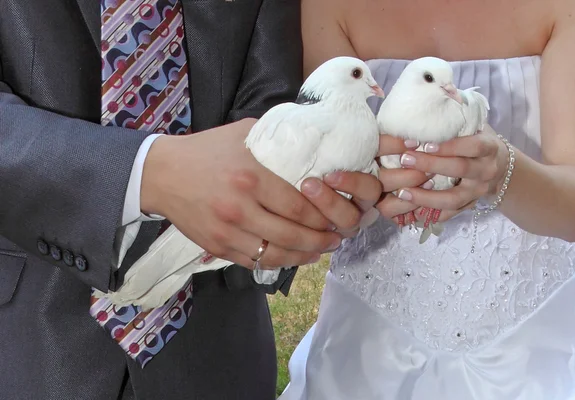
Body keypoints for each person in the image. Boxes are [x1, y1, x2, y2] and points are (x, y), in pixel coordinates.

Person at [0, 0, 384, 398]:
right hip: (27, 340)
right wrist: (147, 171)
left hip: (218, 349)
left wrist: (311, 191)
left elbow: (275, 93)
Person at [282, 0, 575, 398]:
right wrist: (362, 196)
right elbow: (326, 187)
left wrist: (501, 171)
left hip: (542, 352)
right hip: (373, 348)